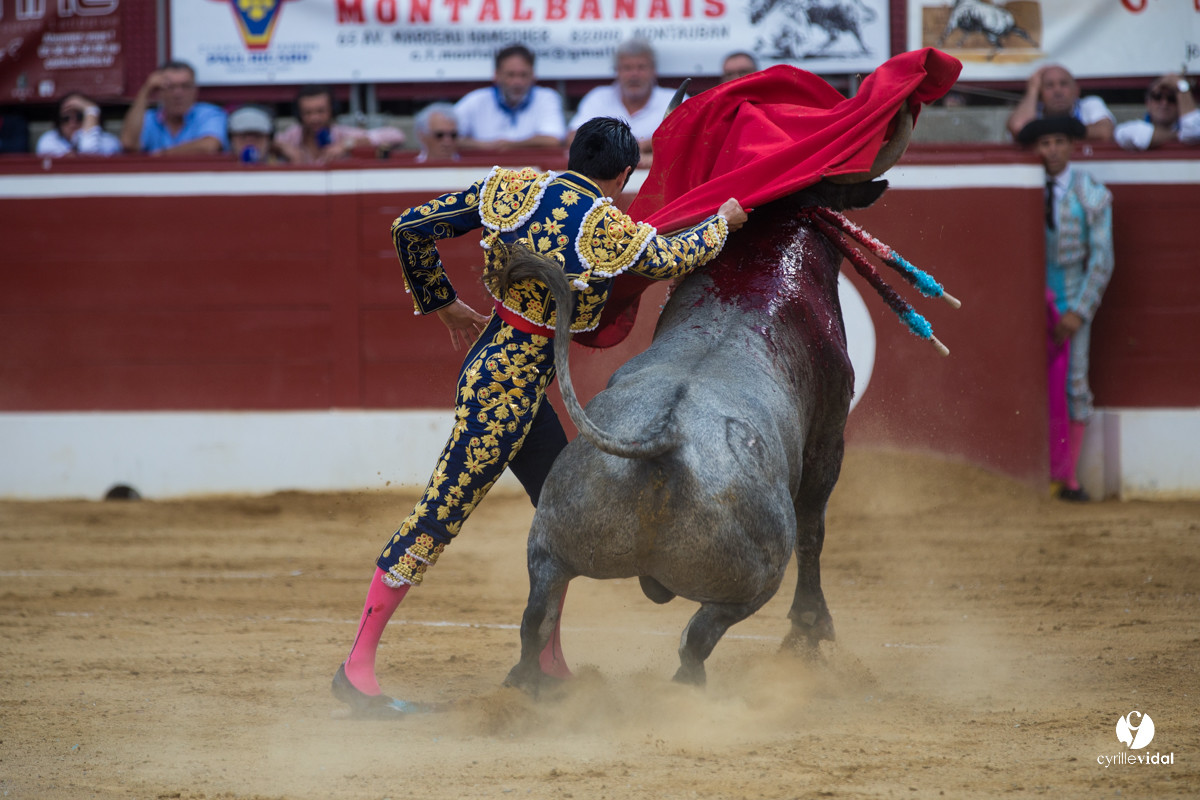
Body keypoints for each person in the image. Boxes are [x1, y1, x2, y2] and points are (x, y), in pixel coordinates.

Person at [331, 116, 748, 716]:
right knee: (438, 516)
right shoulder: (606, 226)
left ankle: (546, 663)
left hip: (511, 378)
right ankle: (356, 670)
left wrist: (443, 305)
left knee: (564, 515)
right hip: (501, 393)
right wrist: (724, 222)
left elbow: (409, 229)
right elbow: (672, 254)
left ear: (571, 154)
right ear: (624, 174)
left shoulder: (516, 188)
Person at [1017, 116, 1114, 502]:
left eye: (1058, 141)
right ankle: (1033, 473)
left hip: (1072, 298)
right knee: (1028, 385)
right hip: (1029, 303)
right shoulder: (1023, 190)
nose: (1051, 150)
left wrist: (1080, 310)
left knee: (1074, 384)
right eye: (1044, 143)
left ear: (1072, 145)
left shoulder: (1091, 193)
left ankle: (1067, 478)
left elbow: (1102, 259)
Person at [568, 38, 677, 162]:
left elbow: (687, 138)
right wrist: (630, 147)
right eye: (627, 68)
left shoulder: (674, 99)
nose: (634, 74)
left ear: (654, 71)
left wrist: (648, 144)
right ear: (617, 71)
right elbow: (574, 137)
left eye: (641, 67)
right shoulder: (598, 97)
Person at [454, 44, 566, 151]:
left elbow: (554, 139)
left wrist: (511, 145)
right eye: (511, 75)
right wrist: (482, 145)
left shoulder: (546, 97)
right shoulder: (476, 100)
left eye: (523, 75)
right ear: (496, 75)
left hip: (531, 169)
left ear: (533, 75)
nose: (517, 82)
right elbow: (444, 136)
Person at [273, 85, 405, 164]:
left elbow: (396, 135)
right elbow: (268, 140)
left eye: (320, 111)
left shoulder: (342, 134)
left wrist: (346, 144)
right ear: (299, 114)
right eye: (308, 113)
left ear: (332, 110)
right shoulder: (292, 135)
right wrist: (284, 148)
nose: (314, 118)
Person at [120, 60, 228, 155]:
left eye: (185, 86)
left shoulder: (210, 114)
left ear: (195, 90)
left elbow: (209, 146)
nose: (178, 93)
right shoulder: (149, 118)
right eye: (170, 87)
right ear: (159, 92)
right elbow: (129, 144)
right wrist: (146, 90)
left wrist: (163, 155)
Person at [1005, 64, 1115, 142]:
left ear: (1076, 90)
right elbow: (1018, 128)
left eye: (1063, 84)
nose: (1057, 91)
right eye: (1049, 85)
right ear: (1040, 94)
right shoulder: (1031, 111)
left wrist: (1042, 130)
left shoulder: (1090, 104)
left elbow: (1105, 133)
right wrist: (1032, 90)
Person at [1114, 73, 1200, 151]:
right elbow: (1139, 136)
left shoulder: (1192, 125)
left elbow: (1193, 131)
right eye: (1157, 97)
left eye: (1171, 99)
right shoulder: (1127, 128)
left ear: (1179, 104)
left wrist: (1181, 85)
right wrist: (1180, 135)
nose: (1164, 103)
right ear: (1148, 102)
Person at [36, 93, 121, 157]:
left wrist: (91, 109)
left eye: (80, 117)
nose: (73, 123)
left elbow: (88, 151)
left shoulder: (109, 141)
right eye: (66, 118)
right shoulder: (49, 140)